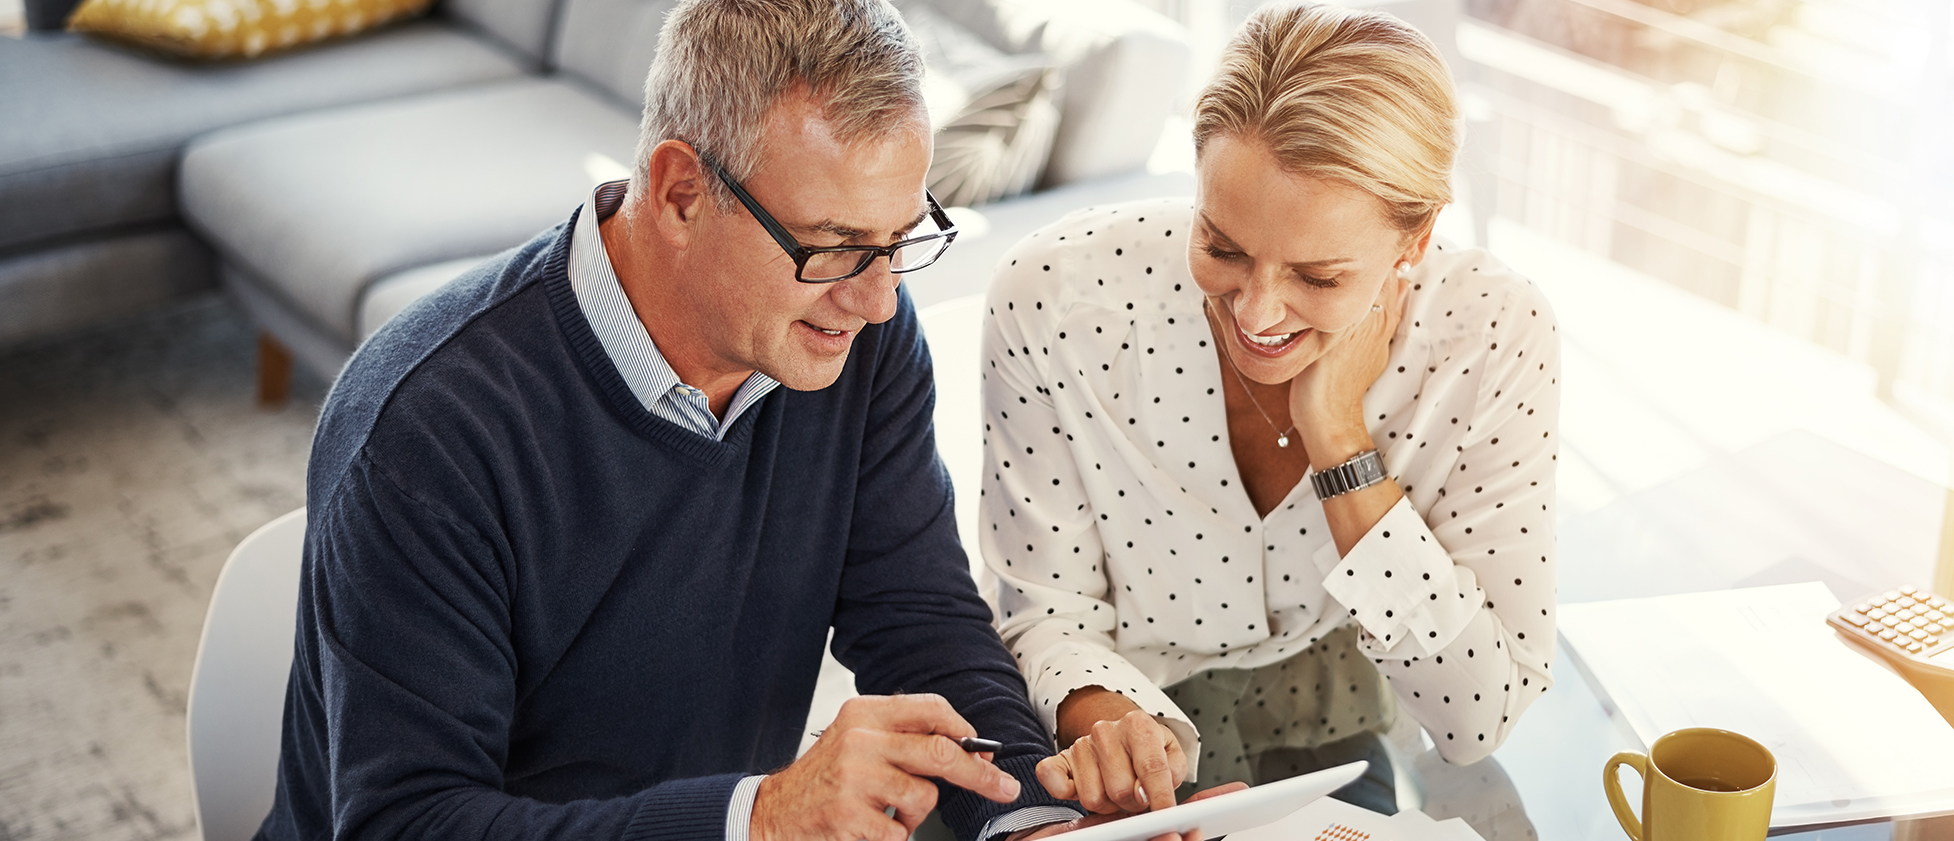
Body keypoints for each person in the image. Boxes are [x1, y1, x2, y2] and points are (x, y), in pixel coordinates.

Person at [256, 2, 1094, 840]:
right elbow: (406, 822)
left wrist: (1032, 817)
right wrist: (760, 817)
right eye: (832, 246)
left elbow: (921, 621)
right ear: (682, 193)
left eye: (899, 240)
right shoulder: (428, 430)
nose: (876, 298)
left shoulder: (855, 339)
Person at [980, 1, 1561, 818]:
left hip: (1330, 727)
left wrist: (1340, 443)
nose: (1256, 313)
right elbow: (1044, 610)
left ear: (1417, 239)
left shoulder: (1493, 335)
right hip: (1104, 728)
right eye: (1221, 246)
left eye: (1318, 278)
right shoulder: (1053, 301)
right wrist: (1115, 732)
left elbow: (1477, 714)